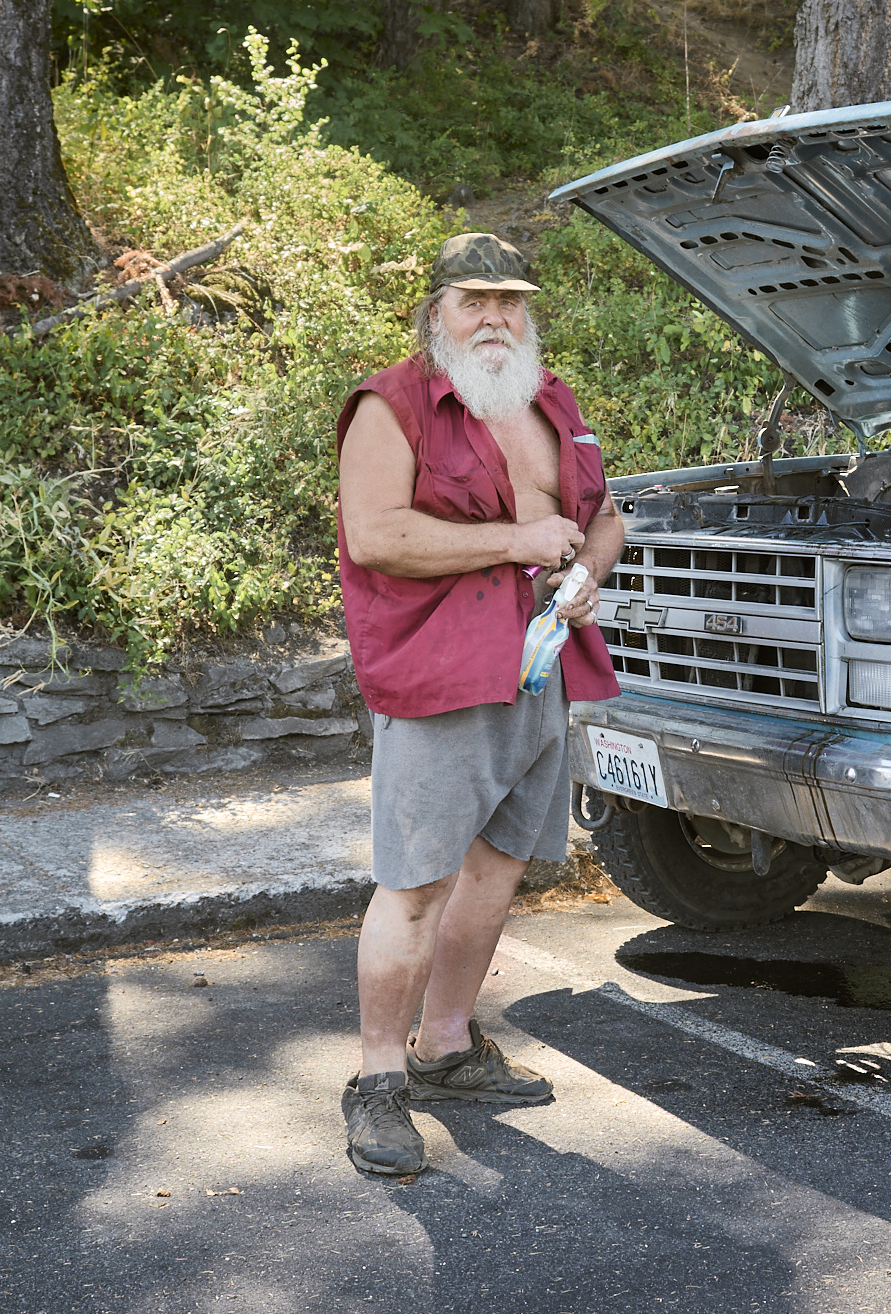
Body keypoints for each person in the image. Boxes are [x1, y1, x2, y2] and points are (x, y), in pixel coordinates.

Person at [335, 232, 623, 1176]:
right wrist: (513, 541)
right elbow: (377, 537)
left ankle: (446, 1048)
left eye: (510, 302)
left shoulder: (551, 400)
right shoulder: (394, 405)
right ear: (435, 315)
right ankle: (377, 1083)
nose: (495, 318)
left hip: (541, 668)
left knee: (498, 869)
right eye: (474, 300)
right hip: (442, 674)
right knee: (416, 882)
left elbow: (603, 515)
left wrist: (584, 568)